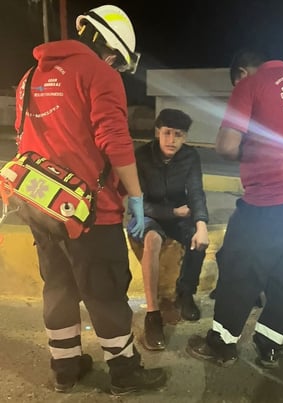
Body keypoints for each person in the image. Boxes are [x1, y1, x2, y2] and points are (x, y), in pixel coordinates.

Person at [13, 5, 166, 395]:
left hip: (39, 205)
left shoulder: (31, 76)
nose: (116, 65)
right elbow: (114, 140)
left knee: (58, 284)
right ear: (111, 51)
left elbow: (24, 137)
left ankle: (64, 367)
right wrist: (135, 195)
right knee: (105, 288)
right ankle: (125, 372)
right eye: (117, 60)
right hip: (88, 210)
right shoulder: (100, 73)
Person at [186, 49, 283, 368]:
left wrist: (247, 155)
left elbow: (226, 145)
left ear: (240, 72)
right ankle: (270, 345)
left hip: (271, 199)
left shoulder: (251, 84)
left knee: (240, 269)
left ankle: (221, 344)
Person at [127, 108, 209, 350]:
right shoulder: (141, 155)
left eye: (179, 135)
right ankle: (153, 315)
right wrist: (172, 213)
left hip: (178, 211)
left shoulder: (190, 157)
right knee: (152, 240)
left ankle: (185, 292)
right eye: (167, 133)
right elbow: (136, 200)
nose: (172, 140)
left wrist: (201, 224)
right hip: (146, 215)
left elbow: (195, 192)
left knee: (198, 238)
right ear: (157, 132)